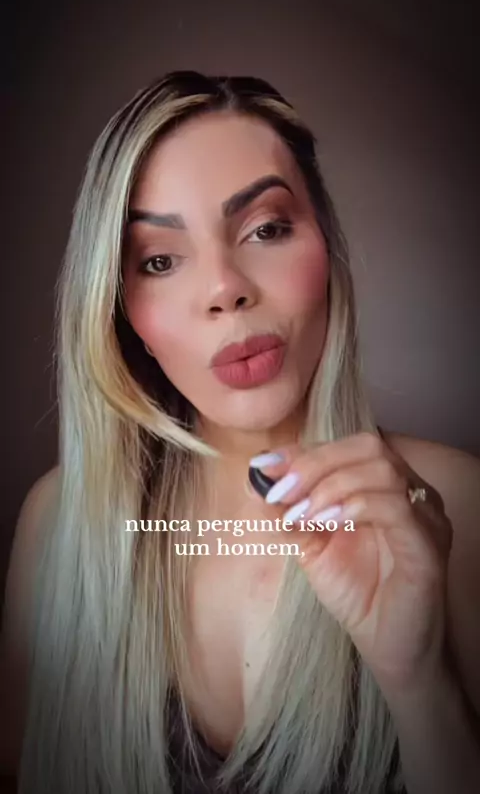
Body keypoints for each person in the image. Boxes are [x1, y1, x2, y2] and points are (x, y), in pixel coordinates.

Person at [1, 71, 479, 794]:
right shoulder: (58, 525)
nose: (226, 288)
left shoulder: (456, 508)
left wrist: (418, 683)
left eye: (266, 229)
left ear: (327, 245)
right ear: (120, 311)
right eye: (159, 260)